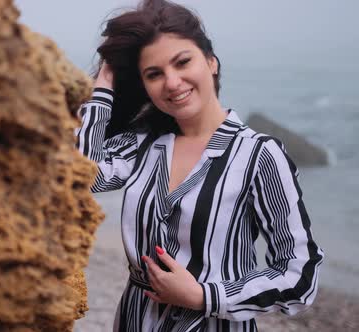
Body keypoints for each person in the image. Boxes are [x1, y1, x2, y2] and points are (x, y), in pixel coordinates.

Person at [75, 1, 324, 331]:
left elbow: (299, 273)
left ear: (211, 62)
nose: (173, 82)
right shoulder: (144, 143)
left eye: (183, 62)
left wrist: (205, 296)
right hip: (136, 320)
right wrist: (104, 88)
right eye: (154, 74)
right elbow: (79, 179)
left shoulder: (258, 154)